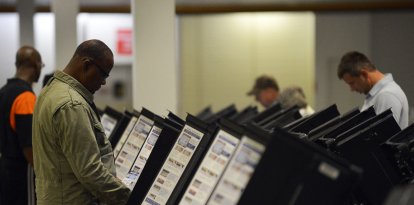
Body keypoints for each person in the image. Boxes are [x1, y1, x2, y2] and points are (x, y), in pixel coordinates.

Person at [32, 39, 130, 205]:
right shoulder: (72, 105)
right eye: (104, 74)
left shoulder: (50, 90)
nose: (104, 82)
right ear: (86, 65)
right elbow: (90, 171)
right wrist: (129, 198)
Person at [0, 46, 43, 205]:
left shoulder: (4, 91)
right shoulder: (25, 97)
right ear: (34, 64)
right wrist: (43, 174)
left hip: (6, 168)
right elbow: (28, 146)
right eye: (41, 64)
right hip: (22, 172)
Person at [337, 51, 409, 129]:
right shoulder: (376, 95)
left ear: (364, 74)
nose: (352, 89)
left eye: (352, 83)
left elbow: (383, 137)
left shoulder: (386, 95)